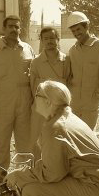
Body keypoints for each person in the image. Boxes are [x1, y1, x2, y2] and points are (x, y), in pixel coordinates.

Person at [0, 15, 35, 181]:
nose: (14, 30)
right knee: (1, 142)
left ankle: (24, 178)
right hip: (1, 103)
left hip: (25, 102)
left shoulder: (27, 49)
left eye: (17, 27)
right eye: (10, 26)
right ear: (3, 29)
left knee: (25, 142)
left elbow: (34, 76)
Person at [29, 26, 68, 160]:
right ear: (41, 41)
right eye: (46, 39)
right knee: (37, 139)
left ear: (58, 39)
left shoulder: (66, 60)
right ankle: (37, 169)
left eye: (52, 38)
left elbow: (69, 83)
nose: (49, 41)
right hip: (40, 108)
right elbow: (32, 87)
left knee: (60, 138)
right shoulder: (36, 62)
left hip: (60, 108)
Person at [66, 11, 99, 130]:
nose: (76, 33)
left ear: (87, 26)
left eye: (78, 29)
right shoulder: (72, 51)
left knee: (88, 138)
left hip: (91, 103)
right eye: (73, 31)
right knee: (75, 137)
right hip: (74, 104)